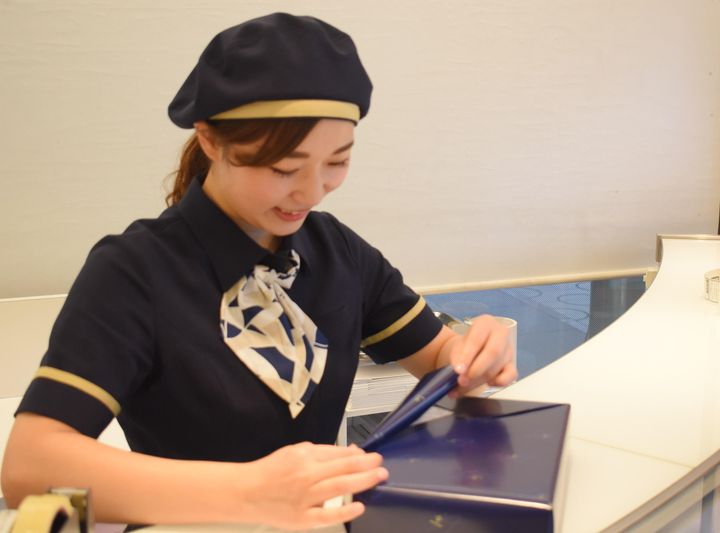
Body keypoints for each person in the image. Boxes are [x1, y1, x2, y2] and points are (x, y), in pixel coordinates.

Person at [0, 13, 516, 530]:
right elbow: (29, 469)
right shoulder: (134, 272)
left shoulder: (337, 249)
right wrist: (250, 493)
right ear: (210, 141)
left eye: (337, 162)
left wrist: (474, 355)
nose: (312, 193)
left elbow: (438, 358)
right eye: (283, 169)